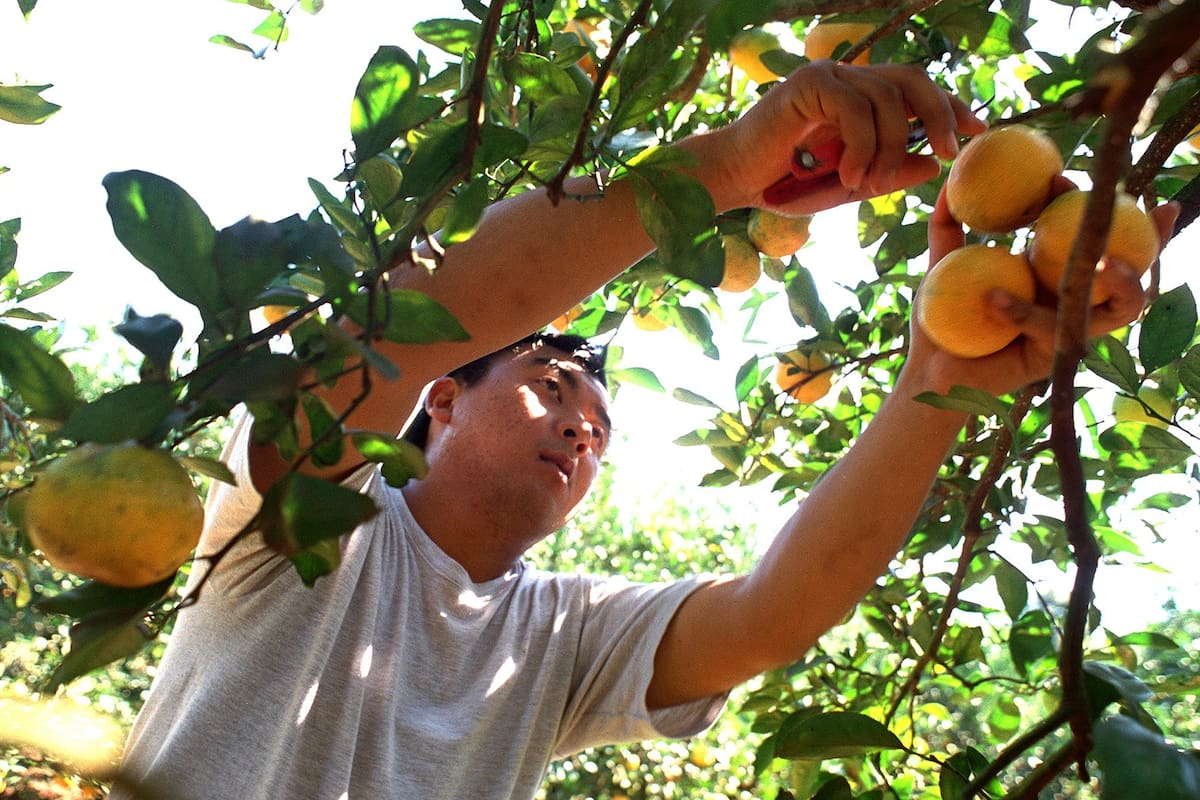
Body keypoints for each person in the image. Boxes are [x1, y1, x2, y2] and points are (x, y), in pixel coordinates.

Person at [109, 59, 1175, 800]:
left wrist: (936, 378)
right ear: (442, 398)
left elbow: (771, 612)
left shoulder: (563, 635)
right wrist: (724, 168)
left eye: (602, 424)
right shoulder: (300, 531)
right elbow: (422, 323)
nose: (583, 429)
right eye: (552, 384)